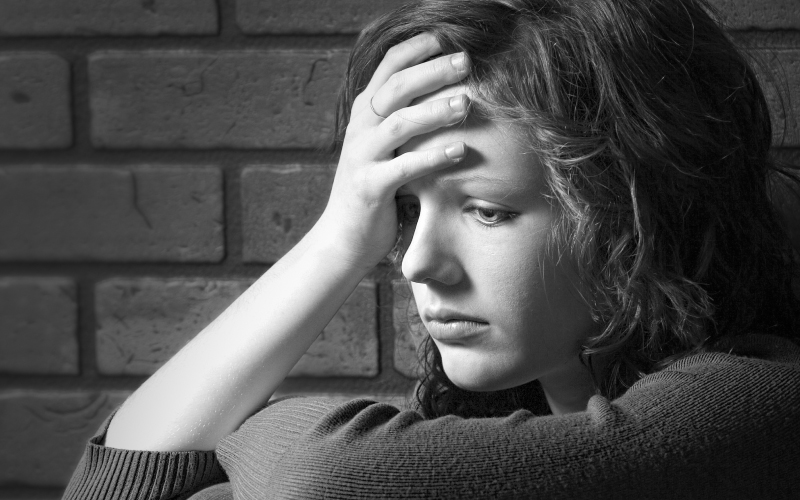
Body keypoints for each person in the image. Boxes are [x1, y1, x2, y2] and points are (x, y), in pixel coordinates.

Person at [64, 0, 800, 498]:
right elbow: (115, 485)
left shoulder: (760, 403)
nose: (416, 262)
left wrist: (250, 437)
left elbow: (326, 475)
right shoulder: (506, 427)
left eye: (486, 210)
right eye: (405, 209)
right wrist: (338, 238)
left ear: (639, 214)